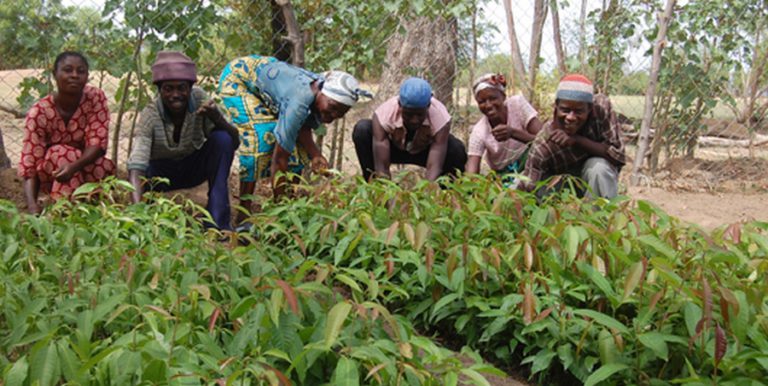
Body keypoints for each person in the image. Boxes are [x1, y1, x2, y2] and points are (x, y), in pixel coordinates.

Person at [217, 55, 368, 224]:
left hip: (269, 76)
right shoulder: (299, 101)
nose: (334, 115)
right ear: (322, 93)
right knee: (260, 140)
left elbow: (301, 125)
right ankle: (244, 216)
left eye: (341, 113)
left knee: (298, 152)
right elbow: (279, 159)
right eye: (332, 107)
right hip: (239, 77)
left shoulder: (316, 93)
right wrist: (282, 216)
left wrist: (315, 154)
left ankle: (291, 203)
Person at [127, 51, 239, 230]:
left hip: (191, 168)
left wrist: (217, 118)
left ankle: (217, 222)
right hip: (159, 174)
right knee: (141, 169)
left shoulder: (199, 99)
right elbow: (137, 164)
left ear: (190, 88)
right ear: (159, 90)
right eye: (168, 89)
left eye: (182, 88)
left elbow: (233, 143)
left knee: (222, 138)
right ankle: (146, 218)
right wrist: (136, 214)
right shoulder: (150, 115)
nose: (175, 94)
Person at [19, 51, 115, 214]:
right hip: (53, 174)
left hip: (83, 167)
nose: (75, 75)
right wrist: (32, 205)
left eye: (81, 71)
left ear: (87, 76)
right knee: (62, 152)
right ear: (55, 74)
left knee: (102, 165)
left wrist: (73, 167)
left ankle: (94, 210)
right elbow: (30, 163)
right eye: (68, 70)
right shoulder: (39, 112)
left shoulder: (95, 98)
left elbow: (98, 143)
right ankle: (65, 213)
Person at [519, 74, 626, 198]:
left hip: (593, 183)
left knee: (599, 168)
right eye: (565, 110)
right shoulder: (545, 142)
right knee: (521, 185)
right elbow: (529, 184)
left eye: (579, 111)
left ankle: (600, 210)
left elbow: (618, 156)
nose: (570, 117)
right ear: (556, 106)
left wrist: (577, 140)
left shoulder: (601, 109)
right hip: (561, 189)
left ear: (589, 108)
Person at [352, 77, 466, 181]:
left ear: (428, 106)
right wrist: (386, 192)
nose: (414, 120)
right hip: (393, 149)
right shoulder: (384, 115)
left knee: (456, 148)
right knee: (363, 129)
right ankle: (373, 186)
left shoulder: (441, 118)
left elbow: (434, 166)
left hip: (425, 152)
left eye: (420, 114)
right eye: (408, 114)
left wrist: (426, 192)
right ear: (400, 105)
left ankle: (445, 192)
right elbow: (382, 166)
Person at [465, 73, 542, 183]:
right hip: (505, 176)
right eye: (482, 102)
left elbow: (544, 141)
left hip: (530, 160)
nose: (488, 105)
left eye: (493, 98)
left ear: (503, 96)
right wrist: (469, 185)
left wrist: (513, 133)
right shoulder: (479, 131)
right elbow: (472, 170)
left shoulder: (517, 104)